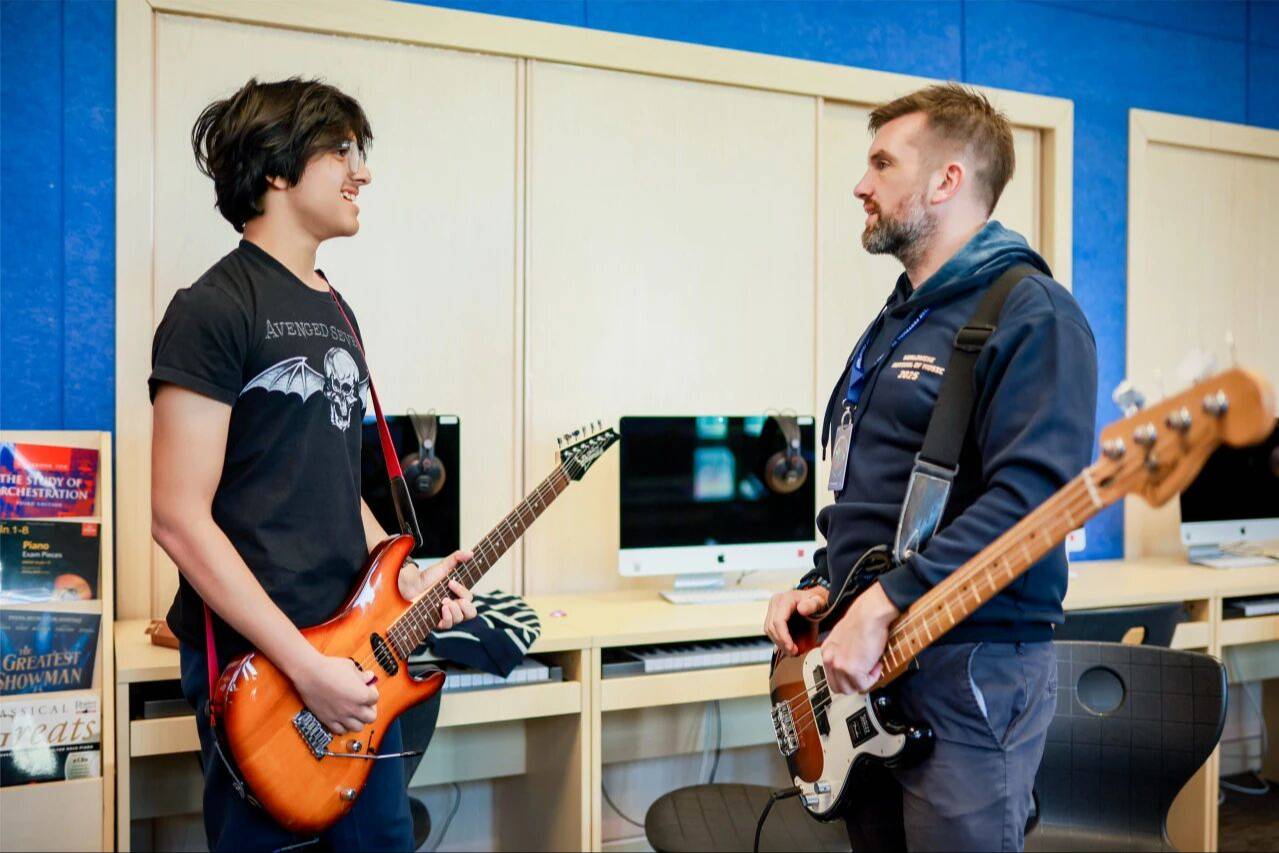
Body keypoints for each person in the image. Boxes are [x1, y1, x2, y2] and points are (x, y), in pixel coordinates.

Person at [764, 83, 1098, 852]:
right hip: (868, 666)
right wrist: (825, 586)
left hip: (970, 667)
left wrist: (882, 600)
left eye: (882, 163)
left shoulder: (1033, 314)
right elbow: (881, 494)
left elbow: (1032, 498)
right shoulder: (900, 319)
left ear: (947, 180)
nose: (860, 184)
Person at [149, 77, 477, 851]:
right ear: (276, 168)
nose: (362, 171)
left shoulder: (334, 307)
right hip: (266, 672)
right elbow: (177, 517)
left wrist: (401, 577)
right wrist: (304, 666)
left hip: (351, 657)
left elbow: (329, 482)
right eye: (341, 151)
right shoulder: (212, 308)